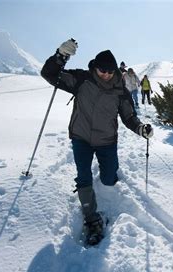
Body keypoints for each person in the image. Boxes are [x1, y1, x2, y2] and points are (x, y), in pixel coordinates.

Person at [41, 39, 154, 245]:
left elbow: (129, 117)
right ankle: (91, 218)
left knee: (109, 177)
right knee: (83, 176)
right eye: (102, 70)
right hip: (81, 138)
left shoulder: (120, 90)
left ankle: (109, 185)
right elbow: (50, 75)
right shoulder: (82, 79)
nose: (106, 75)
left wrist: (140, 128)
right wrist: (60, 57)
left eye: (110, 72)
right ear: (95, 67)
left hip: (106, 140)